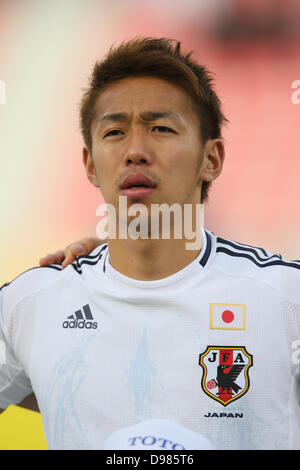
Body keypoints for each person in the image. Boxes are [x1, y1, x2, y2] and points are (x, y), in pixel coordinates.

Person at [1, 37, 300, 450]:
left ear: (211, 159)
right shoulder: (31, 304)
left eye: (161, 128)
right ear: (89, 163)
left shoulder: (287, 300)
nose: (135, 151)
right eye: (115, 131)